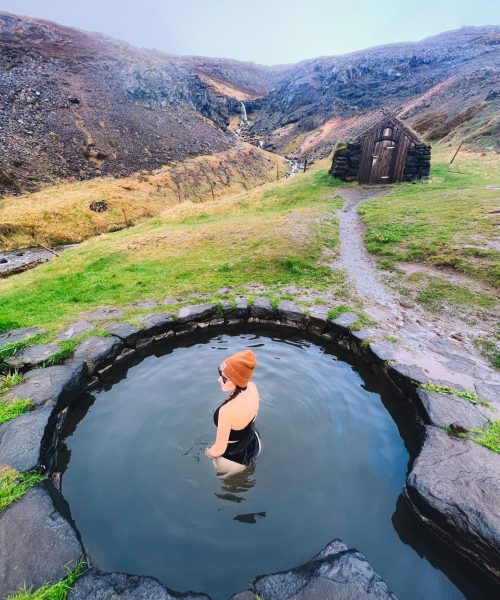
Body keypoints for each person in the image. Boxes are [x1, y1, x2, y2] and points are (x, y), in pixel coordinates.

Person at [206, 349, 261, 478]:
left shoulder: (227, 411)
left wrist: (208, 453)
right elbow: (254, 417)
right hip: (254, 442)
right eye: (220, 374)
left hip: (232, 460)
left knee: (229, 488)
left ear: (236, 380)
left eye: (224, 378)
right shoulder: (252, 387)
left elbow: (219, 449)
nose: (219, 380)